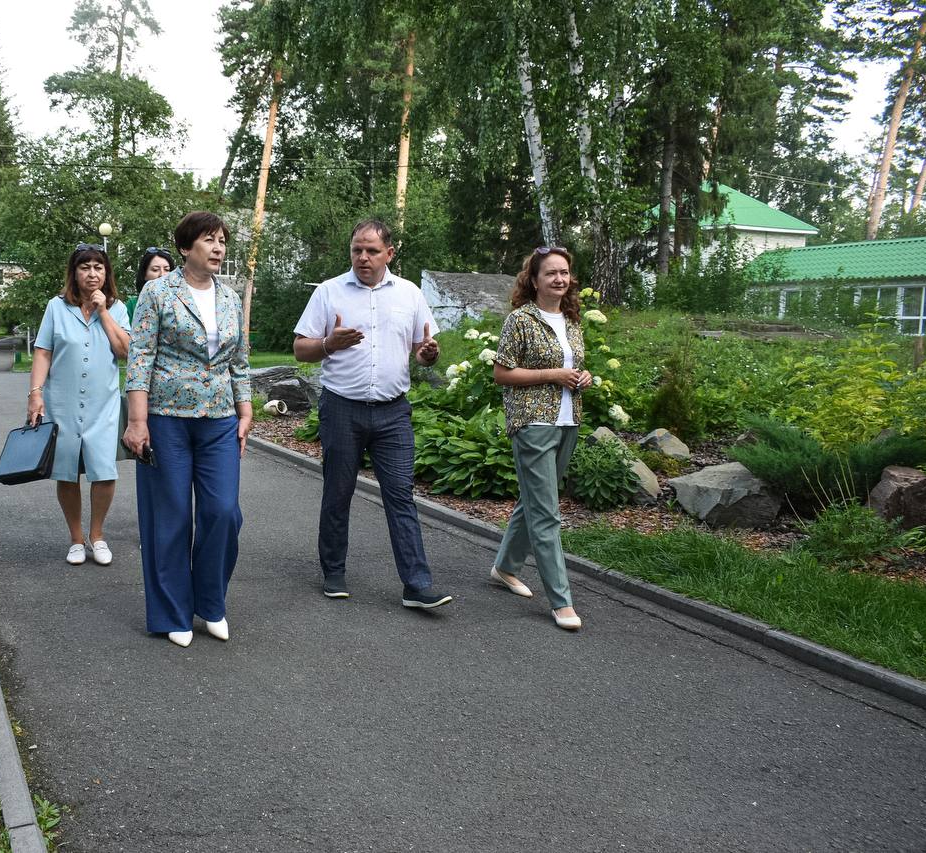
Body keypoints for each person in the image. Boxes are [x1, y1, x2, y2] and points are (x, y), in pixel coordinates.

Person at [292, 219, 453, 610]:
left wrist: (428, 354)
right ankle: (333, 569)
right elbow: (300, 349)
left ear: (389, 253)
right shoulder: (330, 292)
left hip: (393, 413)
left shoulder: (410, 294)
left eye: (372, 251)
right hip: (342, 408)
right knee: (338, 492)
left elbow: (421, 346)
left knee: (401, 496)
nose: (363, 257)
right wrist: (329, 344)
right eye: (357, 250)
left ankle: (417, 584)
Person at [123, 211, 252, 648]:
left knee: (223, 512)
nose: (218, 248)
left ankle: (210, 601)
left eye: (221, 241)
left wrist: (246, 409)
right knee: (171, 516)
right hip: (165, 419)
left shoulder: (230, 298)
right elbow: (139, 357)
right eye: (209, 240)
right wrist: (137, 421)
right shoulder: (158, 292)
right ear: (185, 248)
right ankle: (172, 612)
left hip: (219, 419)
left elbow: (239, 361)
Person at [489, 246, 592, 631]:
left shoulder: (572, 320)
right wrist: (552, 374)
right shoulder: (520, 320)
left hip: (568, 422)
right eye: (551, 273)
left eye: (564, 272)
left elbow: (574, 367)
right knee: (547, 512)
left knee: (533, 500)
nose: (560, 279)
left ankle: (504, 567)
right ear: (534, 280)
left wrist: (584, 378)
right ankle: (561, 601)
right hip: (532, 423)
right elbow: (502, 373)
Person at [27, 243, 132, 566]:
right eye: (85, 267)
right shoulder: (57, 307)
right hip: (63, 402)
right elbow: (43, 351)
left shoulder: (118, 309)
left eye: (98, 267)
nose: (92, 273)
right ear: (74, 272)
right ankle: (76, 539)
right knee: (67, 471)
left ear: (106, 273)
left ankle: (97, 536)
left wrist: (103, 312)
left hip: (104, 403)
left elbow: (125, 351)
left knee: (104, 470)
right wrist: (35, 392)